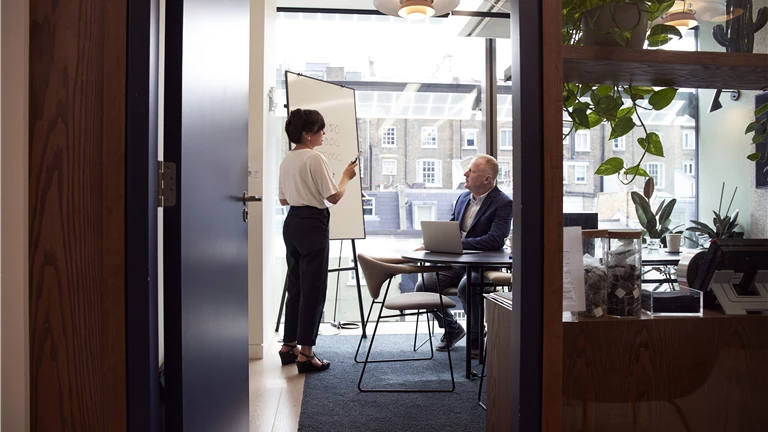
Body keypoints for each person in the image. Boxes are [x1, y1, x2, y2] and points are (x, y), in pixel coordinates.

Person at [277, 108, 358, 373]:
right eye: (320, 129)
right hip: (313, 224)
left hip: (292, 223)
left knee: (296, 286)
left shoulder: (287, 160)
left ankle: (289, 346)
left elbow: (284, 199)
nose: (324, 133)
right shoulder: (315, 158)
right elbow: (333, 197)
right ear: (307, 134)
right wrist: (346, 177)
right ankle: (307, 354)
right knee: (314, 288)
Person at [414, 155, 512, 356]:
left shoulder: (503, 203)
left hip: (483, 265)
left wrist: (458, 244)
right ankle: (452, 328)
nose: (465, 174)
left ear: (487, 179)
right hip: (457, 262)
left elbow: (494, 240)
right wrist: (431, 243)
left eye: (471, 171)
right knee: (423, 286)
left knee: (466, 288)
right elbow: (451, 230)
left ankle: (476, 336)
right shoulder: (461, 199)